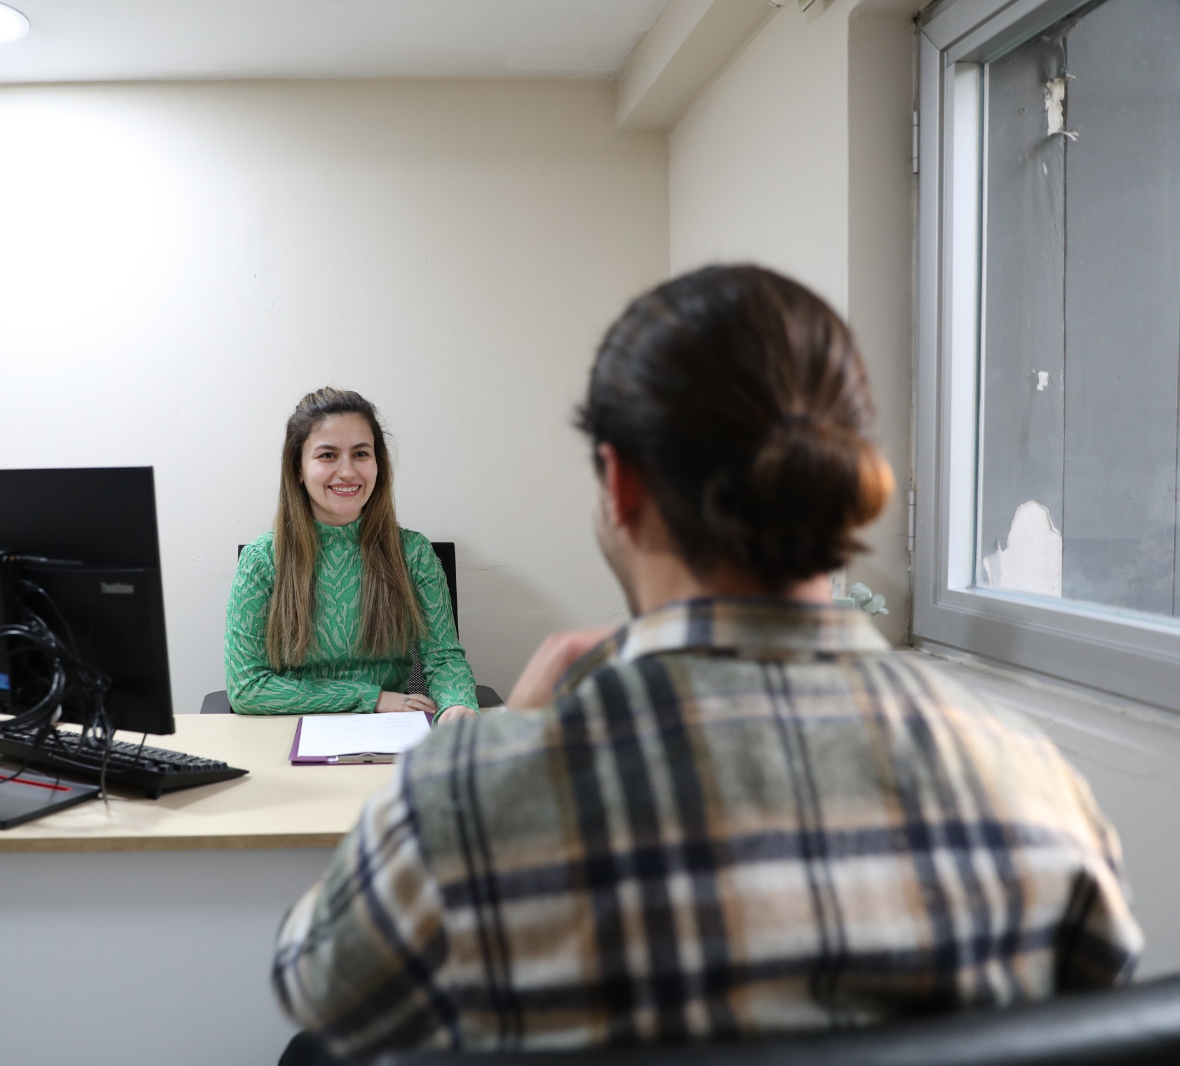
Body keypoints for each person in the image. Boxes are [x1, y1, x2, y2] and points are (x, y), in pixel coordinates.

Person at [270, 266, 1142, 1060]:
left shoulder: (473, 798)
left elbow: (320, 983)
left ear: (620, 485)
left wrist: (503, 749)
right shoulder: (1037, 785)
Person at [225, 387, 478, 721]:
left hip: (389, 731)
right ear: (298, 468)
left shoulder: (413, 554)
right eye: (328, 455)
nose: (347, 471)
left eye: (360, 454)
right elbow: (246, 688)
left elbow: (444, 659)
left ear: (377, 464)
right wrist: (369, 698)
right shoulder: (262, 560)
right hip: (287, 732)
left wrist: (457, 704)